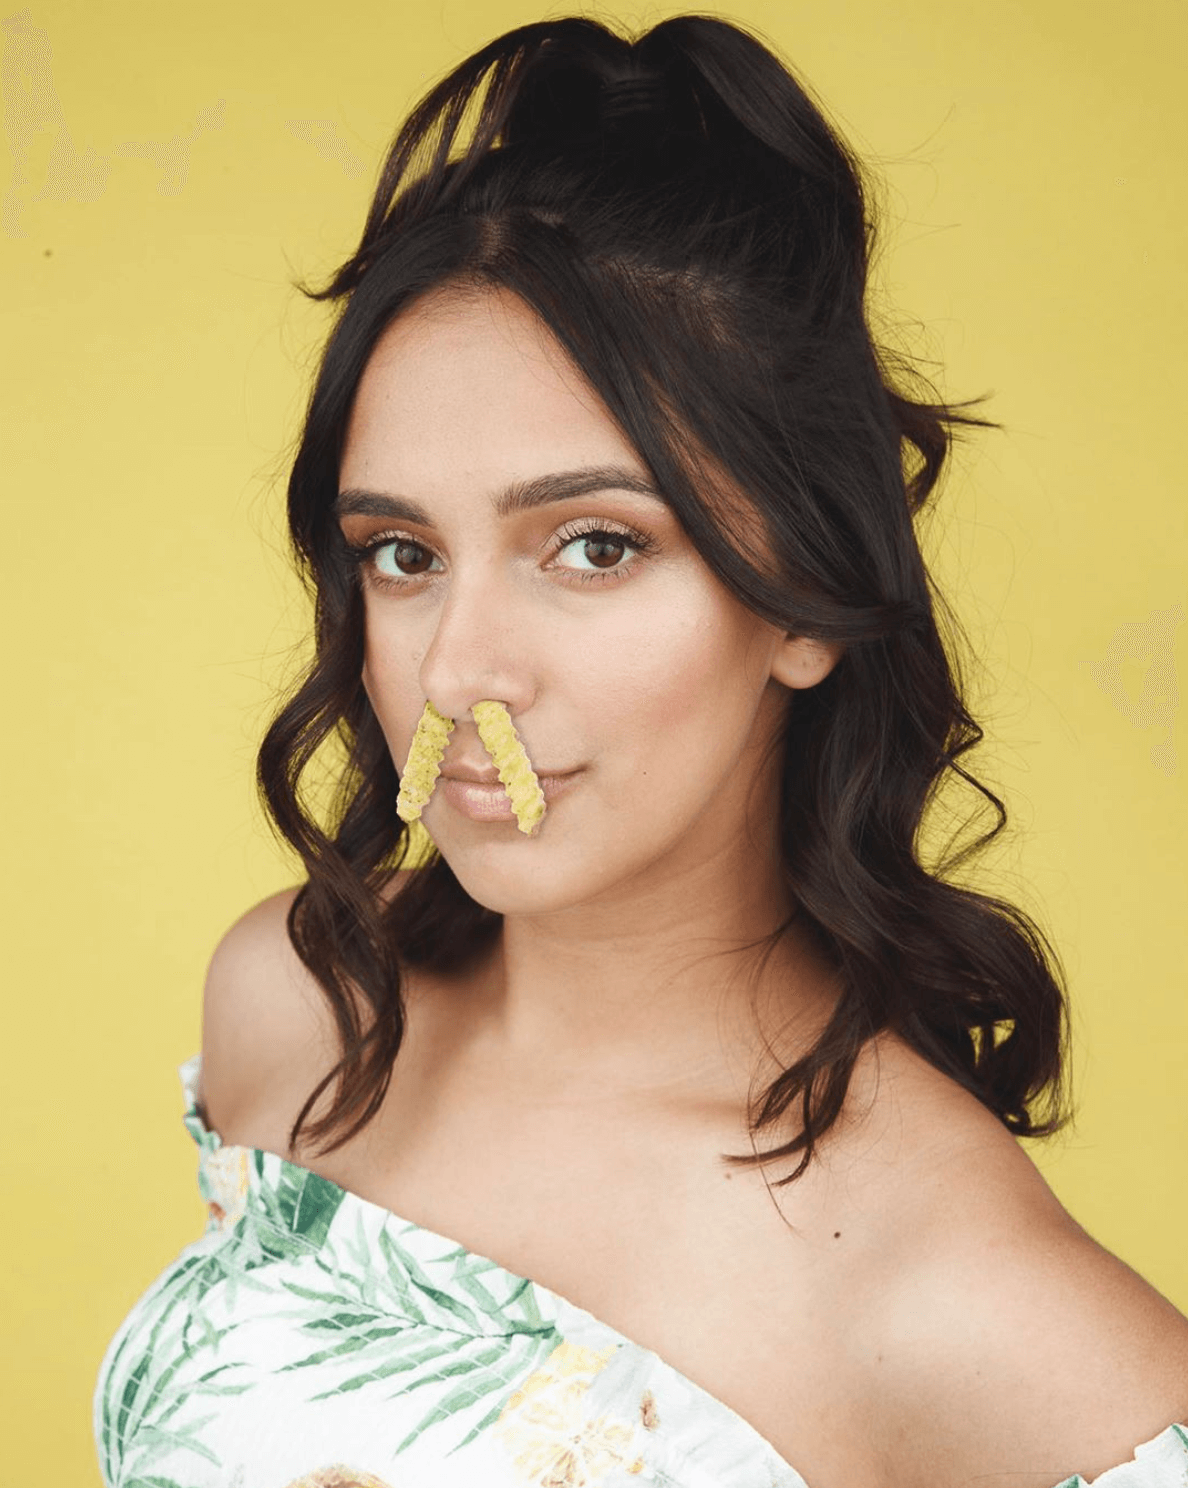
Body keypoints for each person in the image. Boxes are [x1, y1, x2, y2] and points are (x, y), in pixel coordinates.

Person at [93, 14, 1188, 1488]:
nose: (458, 669)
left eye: (594, 546)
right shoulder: (296, 1008)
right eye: (402, 553)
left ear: (802, 599)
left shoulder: (971, 1315)